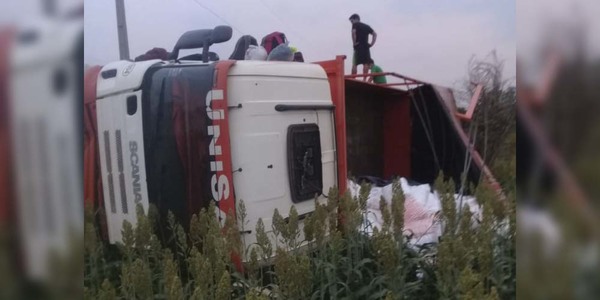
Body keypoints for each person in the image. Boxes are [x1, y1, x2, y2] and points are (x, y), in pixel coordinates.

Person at [349, 13, 377, 79]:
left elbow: (353, 33)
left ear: (356, 19)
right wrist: (372, 43)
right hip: (366, 47)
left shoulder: (355, 24)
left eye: (352, 21)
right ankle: (364, 79)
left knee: (355, 63)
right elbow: (375, 34)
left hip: (358, 46)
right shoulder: (367, 26)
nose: (351, 23)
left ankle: (353, 78)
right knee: (366, 63)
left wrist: (354, 43)